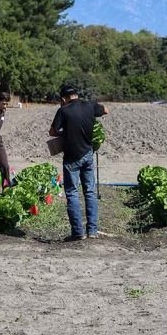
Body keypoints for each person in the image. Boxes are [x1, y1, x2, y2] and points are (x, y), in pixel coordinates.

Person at [49, 85, 109, 241]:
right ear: (76, 95)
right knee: (90, 191)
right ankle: (92, 231)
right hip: (88, 154)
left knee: (72, 193)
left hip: (71, 158)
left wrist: (66, 131)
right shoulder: (89, 105)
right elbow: (106, 110)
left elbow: (52, 132)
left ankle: (78, 233)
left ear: (63, 99)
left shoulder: (63, 111)